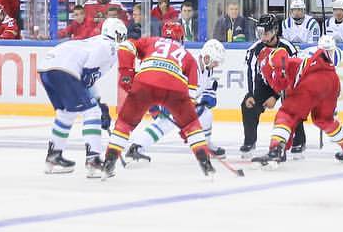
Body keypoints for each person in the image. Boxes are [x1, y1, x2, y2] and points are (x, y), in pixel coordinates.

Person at [102, 24, 217, 179]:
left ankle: (109, 162)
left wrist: (126, 72)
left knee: (124, 123)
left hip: (144, 81)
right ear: (181, 38)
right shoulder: (188, 56)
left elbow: (125, 46)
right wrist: (186, 126)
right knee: (192, 125)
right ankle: (205, 163)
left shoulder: (150, 41)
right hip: (174, 87)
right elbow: (190, 98)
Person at [253, 34, 343, 165]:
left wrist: (281, 148)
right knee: (324, 120)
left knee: (287, 114)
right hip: (332, 81)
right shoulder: (306, 56)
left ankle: (275, 149)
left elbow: (280, 58)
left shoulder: (272, 63)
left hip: (312, 79)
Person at [37, 18, 125, 175]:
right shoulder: (110, 47)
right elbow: (87, 75)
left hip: (45, 69)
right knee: (93, 112)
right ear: (119, 35)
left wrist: (98, 101)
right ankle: (93, 160)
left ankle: (53, 156)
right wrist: (100, 107)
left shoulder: (93, 41)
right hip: (65, 71)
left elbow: (86, 79)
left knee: (66, 113)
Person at [125, 34, 227, 161]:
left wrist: (206, 99)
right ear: (207, 57)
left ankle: (205, 144)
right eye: (215, 62)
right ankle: (136, 147)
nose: (216, 65)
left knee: (206, 114)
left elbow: (208, 86)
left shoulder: (208, 69)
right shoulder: (188, 65)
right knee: (164, 124)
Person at [240, 14, 306, 155]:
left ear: (275, 31)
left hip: (286, 84)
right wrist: (250, 94)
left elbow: (294, 74)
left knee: (293, 104)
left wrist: (276, 96)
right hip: (264, 84)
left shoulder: (288, 48)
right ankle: (249, 141)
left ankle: (299, 140)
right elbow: (251, 71)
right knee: (247, 105)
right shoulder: (254, 49)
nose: (262, 36)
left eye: (266, 32)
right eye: (260, 32)